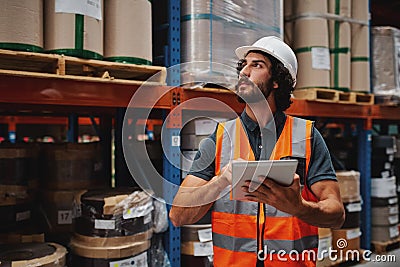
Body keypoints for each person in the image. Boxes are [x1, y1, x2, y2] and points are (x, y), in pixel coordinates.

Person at [169, 36, 345, 266]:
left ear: (276, 80)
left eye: (257, 65)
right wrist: (221, 181)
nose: (244, 72)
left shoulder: (307, 136)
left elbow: (337, 215)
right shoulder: (220, 138)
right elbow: (178, 215)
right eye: (244, 65)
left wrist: (299, 208)